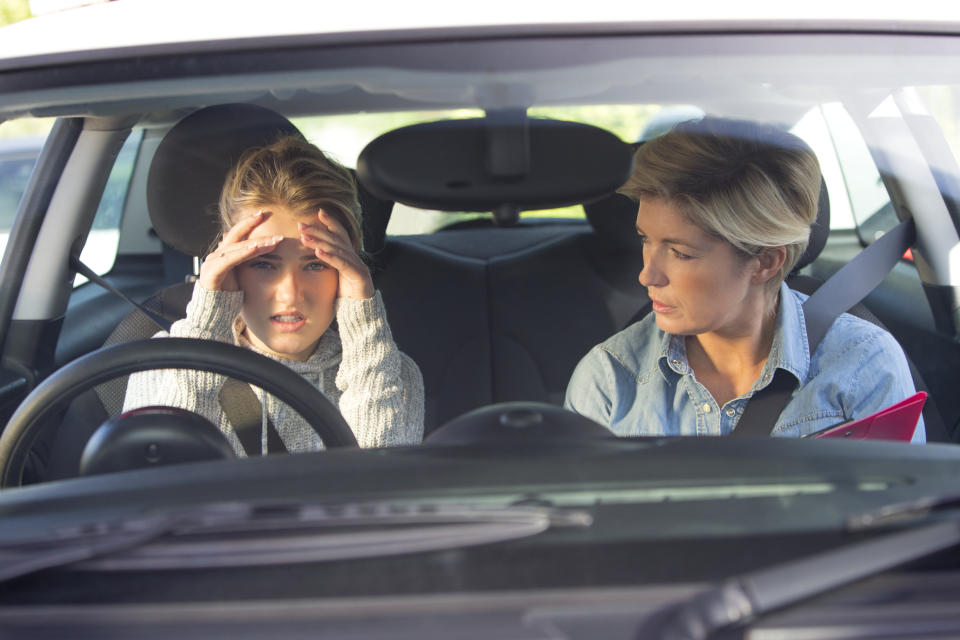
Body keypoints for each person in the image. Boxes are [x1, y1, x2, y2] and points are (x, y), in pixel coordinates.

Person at [564, 116, 925, 442]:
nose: (647, 275)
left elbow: (905, 509)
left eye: (680, 252)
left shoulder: (864, 365)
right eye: (645, 239)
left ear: (765, 262)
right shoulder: (609, 381)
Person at [124, 136, 424, 454]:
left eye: (316, 264)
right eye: (264, 264)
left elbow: (379, 491)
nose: (290, 294)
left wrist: (363, 318)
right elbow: (163, 480)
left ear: (347, 270)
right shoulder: (162, 364)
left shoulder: (390, 375)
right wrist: (206, 325)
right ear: (233, 266)